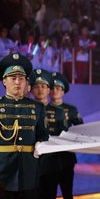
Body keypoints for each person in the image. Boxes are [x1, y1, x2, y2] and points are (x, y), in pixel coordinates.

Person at [0, 53, 49, 199]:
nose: (17, 82)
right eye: (13, 78)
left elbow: (43, 133)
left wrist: (41, 144)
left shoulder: (38, 107)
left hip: (28, 167)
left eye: (21, 79)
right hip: (2, 168)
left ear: (26, 83)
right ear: (4, 81)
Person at [29, 68, 68, 199]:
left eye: (43, 86)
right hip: (30, 162)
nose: (40, 90)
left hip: (51, 162)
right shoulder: (26, 109)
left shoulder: (58, 112)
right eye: (36, 86)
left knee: (49, 194)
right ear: (31, 89)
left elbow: (64, 135)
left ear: (48, 90)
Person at [50, 72, 83, 198]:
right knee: (49, 191)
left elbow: (81, 128)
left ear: (63, 92)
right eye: (52, 88)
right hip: (49, 158)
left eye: (58, 89)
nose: (55, 91)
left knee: (67, 191)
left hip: (66, 157)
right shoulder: (42, 108)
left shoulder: (71, 110)